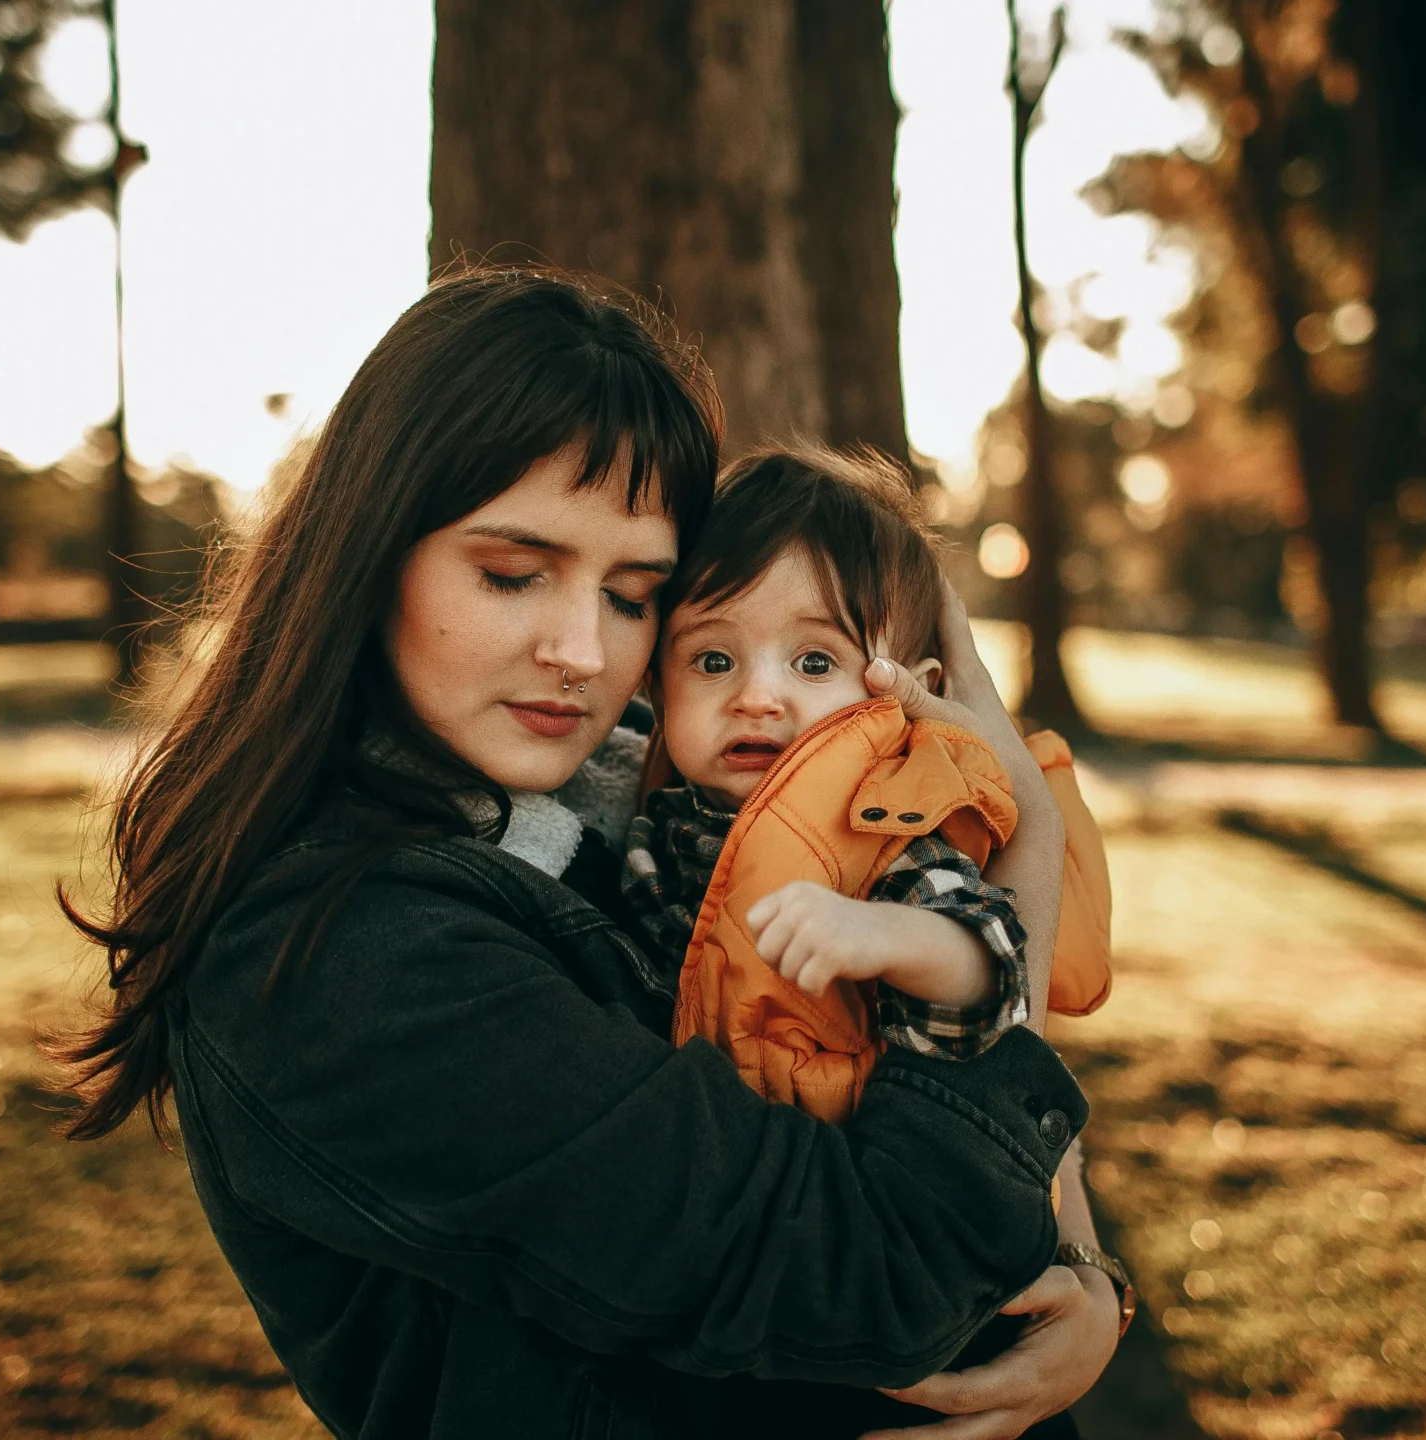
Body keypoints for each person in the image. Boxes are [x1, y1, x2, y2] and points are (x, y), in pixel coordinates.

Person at [58, 266, 1123, 1439]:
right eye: (512, 575)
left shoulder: (635, 806)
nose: (580, 648)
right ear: (368, 553)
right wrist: (1021, 839)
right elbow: (874, 1284)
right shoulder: (339, 955)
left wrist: (1077, 1265)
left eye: (632, 595)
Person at [620, 445, 1116, 1127]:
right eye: (713, 659)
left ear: (912, 694)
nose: (757, 697)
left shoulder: (883, 836)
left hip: (861, 1166)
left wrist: (884, 933)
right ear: (657, 684)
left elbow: (992, 967)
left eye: (815, 661)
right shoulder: (657, 823)